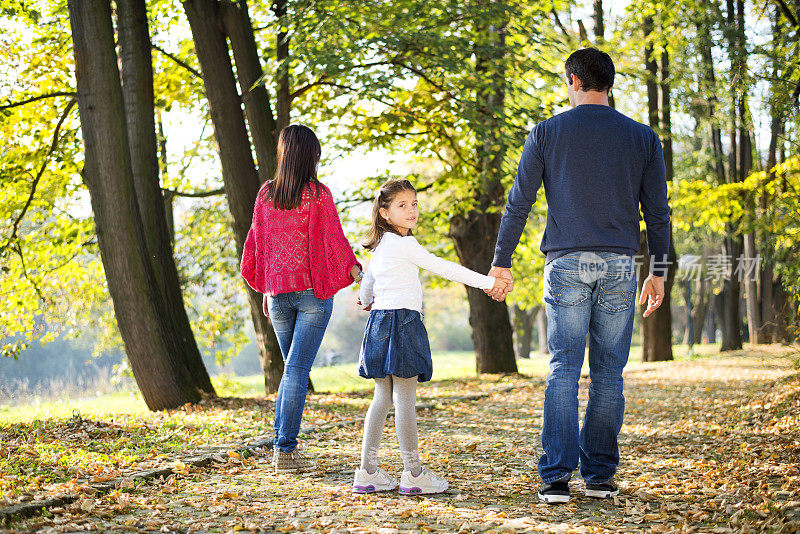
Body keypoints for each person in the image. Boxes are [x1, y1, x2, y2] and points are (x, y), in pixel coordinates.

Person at [487, 48, 671, 504]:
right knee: (609, 372)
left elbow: (519, 203)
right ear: (609, 84)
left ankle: (555, 479)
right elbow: (659, 214)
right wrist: (659, 271)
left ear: (573, 80)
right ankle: (600, 478)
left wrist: (501, 260)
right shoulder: (642, 138)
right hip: (620, 264)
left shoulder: (547, 132)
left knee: (563, 369)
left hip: (566, 263)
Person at [352, 179, 509, 495]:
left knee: (382, 397)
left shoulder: (381, 246)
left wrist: (366, 298)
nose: (411, 210)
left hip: (379, 324)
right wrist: (487, 282)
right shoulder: (405, 245)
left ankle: (366, 472)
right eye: (402, 205)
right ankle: (414, 473)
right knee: (405, 399)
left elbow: (367, 284)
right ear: (384, 213)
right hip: (404, 323)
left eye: (414, 203)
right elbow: (444, 267)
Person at [240, 124, 362, 474]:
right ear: (311, 155)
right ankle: (285, 449)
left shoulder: (266, 194)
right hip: (311, 297)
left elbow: (259, 249)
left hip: (278, 298)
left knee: (291, 371)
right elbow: (335, 243)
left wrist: (267, 288)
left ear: (283, 154)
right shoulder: (318, 195)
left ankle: (283, 445)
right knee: (295, 370)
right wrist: (358, 274)